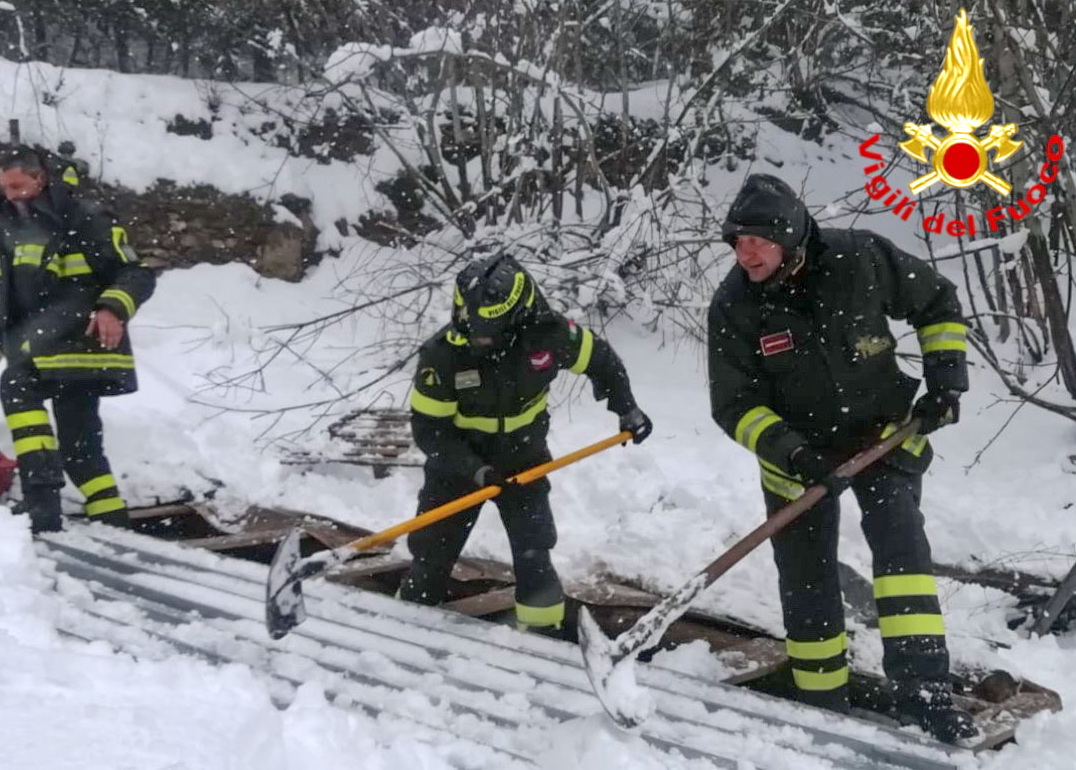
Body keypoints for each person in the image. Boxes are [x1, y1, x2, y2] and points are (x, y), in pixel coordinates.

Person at [707, 174, 977, 744]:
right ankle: (820, 696)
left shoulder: (859, 259)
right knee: (806, 577)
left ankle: (925, 696)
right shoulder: (735, 305)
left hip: (881, 435)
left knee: (903, 558)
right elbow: (733, 405)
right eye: (737, 242)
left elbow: (936, 301)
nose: (745, 254)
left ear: (790, 237)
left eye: (758, 241)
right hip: (796, 455)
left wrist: (946, 381)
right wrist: (795, 453)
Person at [399, 253, 652, 635]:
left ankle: (543, 636)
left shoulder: (548, 336)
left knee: (535, 553)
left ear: (516, 317)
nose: (476, 335)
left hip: (524, 461)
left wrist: (626, 407)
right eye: (470, 323)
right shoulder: (443, 355)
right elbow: (430, 431)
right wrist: (475, 470)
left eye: (488, 328)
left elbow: (602, 360)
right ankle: (404, 625)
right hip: (457, 467)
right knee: (431, 554)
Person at [0, 146, 155, 534]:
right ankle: (112, 520)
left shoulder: (84, 219)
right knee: (80, 450)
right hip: (51, 351)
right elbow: (11, 311)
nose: (11, 195)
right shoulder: (13, 232)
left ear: (40, 179)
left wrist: (112, 309)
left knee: (16, 384)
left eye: (18, 186)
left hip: (83, 344)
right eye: (5, 187)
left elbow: (137, 273)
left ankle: (42, 506)